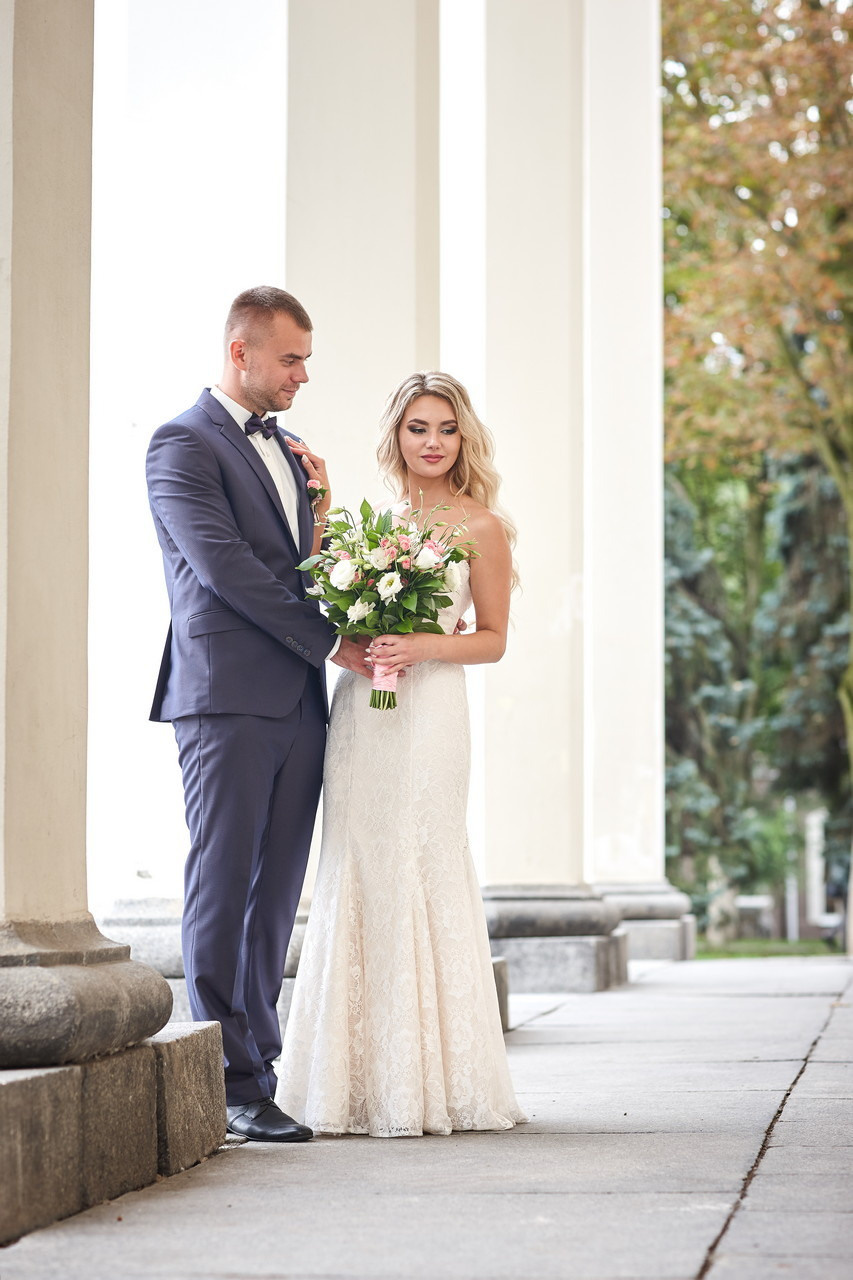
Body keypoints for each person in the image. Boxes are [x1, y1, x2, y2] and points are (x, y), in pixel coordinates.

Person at [146, 286, 369, 1143]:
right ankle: (229, 1081)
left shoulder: (295, 450)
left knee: (276, 895)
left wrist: (330, 527)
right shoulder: (179, 443)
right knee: (224, 881)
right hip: (225, 696)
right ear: (241, 352)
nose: (302, 375)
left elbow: (301, 565)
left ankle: (262, 1073)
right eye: (290, 358)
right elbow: (223, 566)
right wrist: (328, 642)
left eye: (306, 359)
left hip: (298, 701)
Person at [277, 371, 526, 1137]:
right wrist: (354, 633)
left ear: (463, 438)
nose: (431, 442)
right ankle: (346, 1084)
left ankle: (435, 1084)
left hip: (430, 714)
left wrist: (421, 642)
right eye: (418, 427)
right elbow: (320, 600)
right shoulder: (370, 522)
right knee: (355, 861)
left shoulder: (480, 526)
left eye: (445, 429)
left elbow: (491, 639)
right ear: (397, 435)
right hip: (364, 713)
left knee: (423, 858)